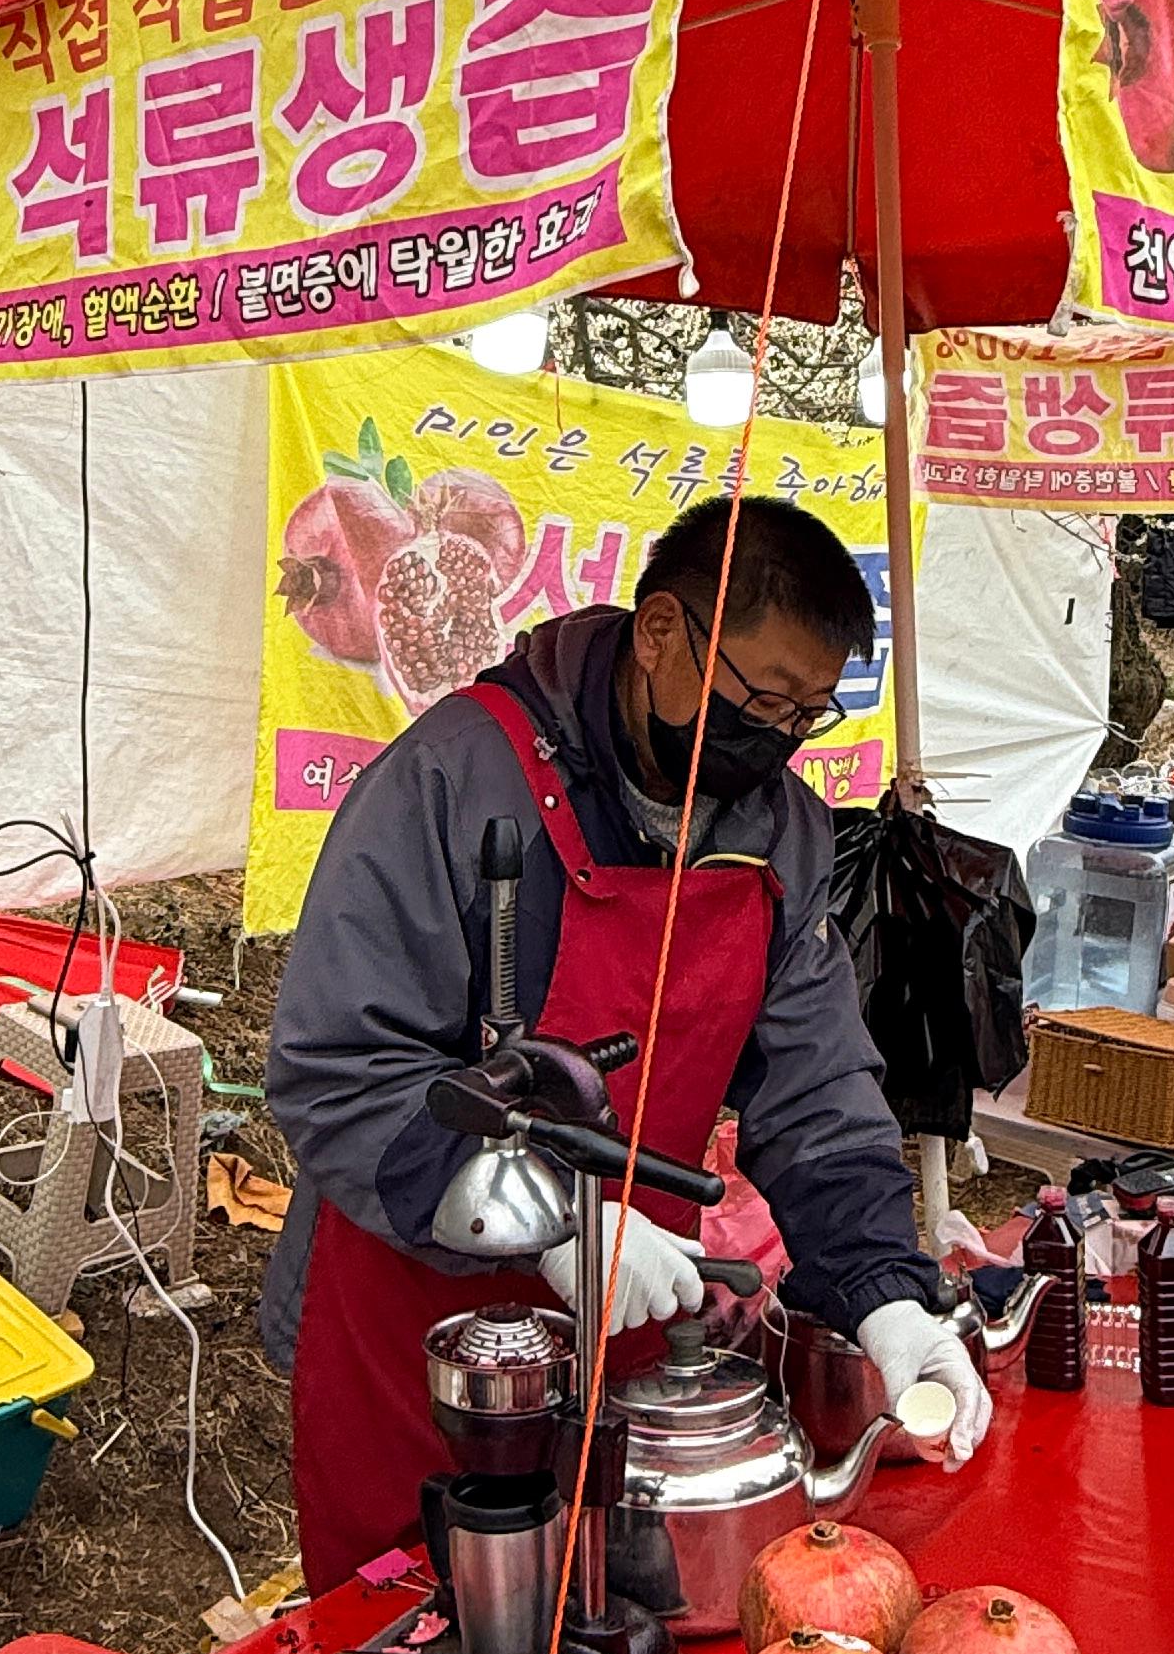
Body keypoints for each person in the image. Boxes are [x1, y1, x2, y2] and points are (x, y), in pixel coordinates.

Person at [263, 493, 990, 1591]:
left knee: (623, 1616)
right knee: (417, 1632)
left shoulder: (780, 832)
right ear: (659, 632)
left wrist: (884, 1291)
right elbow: (337, 1068)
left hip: (635, 1319)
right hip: (416, 1329)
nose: (778, 738)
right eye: (760, 699)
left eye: (808, 713)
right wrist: (555, 1221)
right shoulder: (451, 779)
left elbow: (818, 1091)